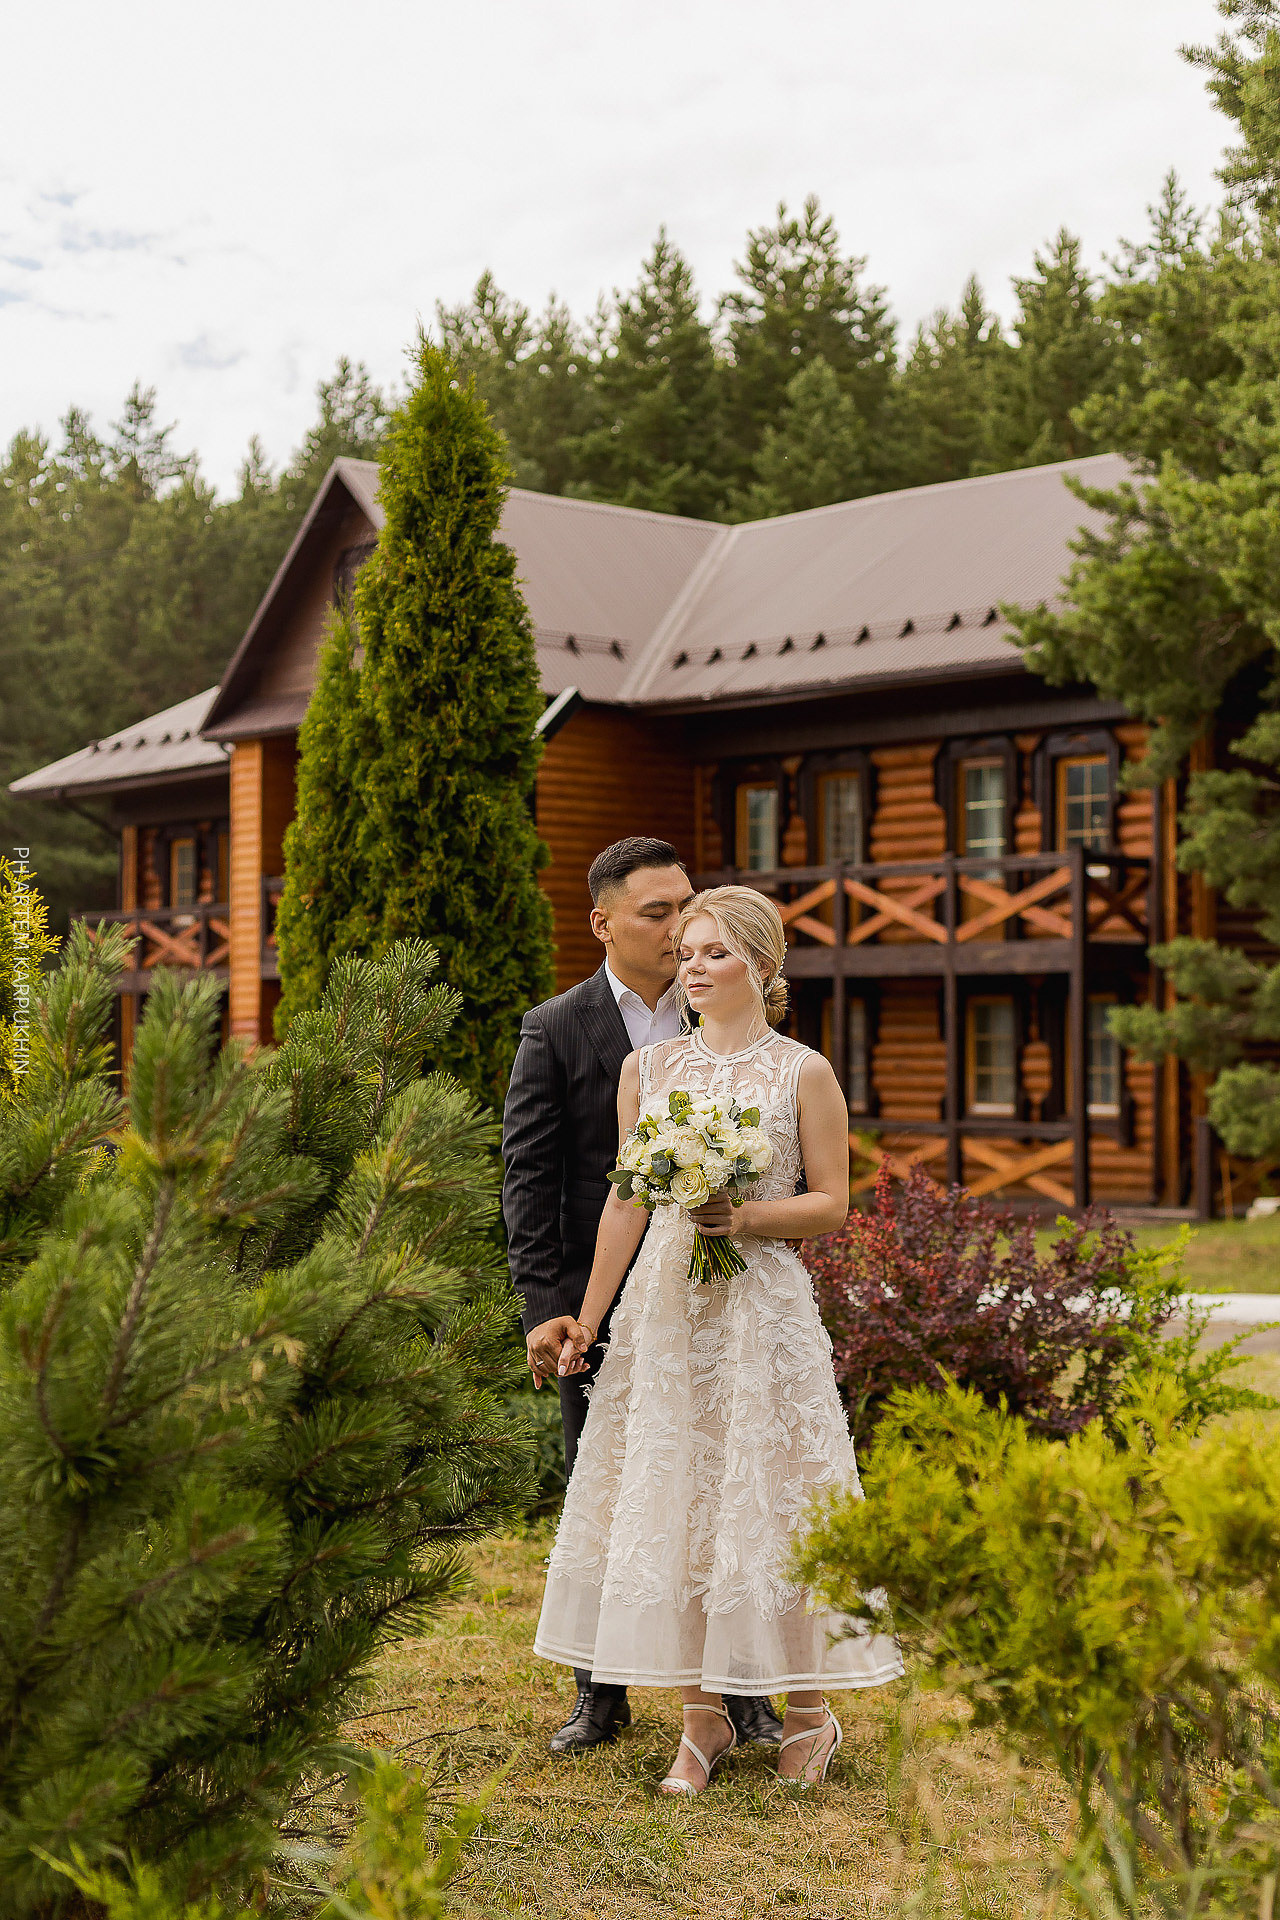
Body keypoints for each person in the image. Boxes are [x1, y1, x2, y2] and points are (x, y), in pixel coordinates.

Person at [531, 886, 903, 1792]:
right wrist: (590, 1311)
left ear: (763, 967)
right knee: (681, 1498)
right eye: (686, 952)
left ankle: (809, 1713)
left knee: (771, 1497)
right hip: (668, 1310)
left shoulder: (802, 1073)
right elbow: (626, 1198)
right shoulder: (648, 1073)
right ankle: (703, 1724)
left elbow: (832, 1203)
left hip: (760, 1312)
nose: (691, 967)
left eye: (713, 953)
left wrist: (746, 1215)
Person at [502, 841, 785, 1757]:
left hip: (729, 1291)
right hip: (608, 1293)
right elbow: (531, 1178)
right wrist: (551, 1304)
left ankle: (745, 1693)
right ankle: (602, 1690)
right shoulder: (557, 1027)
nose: (678, 932)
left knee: (729, 1478)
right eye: (657, 913)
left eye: (686, 908)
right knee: (613, 1481)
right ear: (604, 923)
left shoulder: (735, 1003)